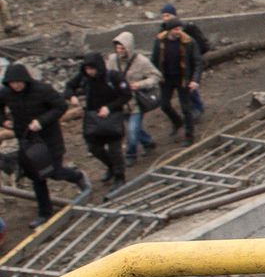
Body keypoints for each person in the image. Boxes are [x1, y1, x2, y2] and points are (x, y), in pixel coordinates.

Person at [4, 62, 90, 221]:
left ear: (25, 80)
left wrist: (41, 121)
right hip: (27, 141)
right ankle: (44, 213)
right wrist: (3, 121)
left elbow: (61, 107)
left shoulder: (42, 89)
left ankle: (76, 176)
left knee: (55, 172)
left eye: (18, 82)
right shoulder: (6, 93)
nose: (15, 86)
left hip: (49, 139)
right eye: (12, 83)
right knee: (37, 177)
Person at [64, 51, 133, 188]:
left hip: (112, 117)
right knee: (94, 148)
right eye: (87, 69)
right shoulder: (84, 77)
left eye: (92, 69)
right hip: (92, 119)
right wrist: (71, 96)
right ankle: (111, 166)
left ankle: (120, 176)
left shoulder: (113, 77)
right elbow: (69, 86)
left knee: (115, 150)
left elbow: (126, 95)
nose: (90, 72)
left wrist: (109, 107)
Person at [111, 30, 160, 163]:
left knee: (132, 131)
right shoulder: (112, 60)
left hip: (135, 102)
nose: (119, 50)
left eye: (122, 48)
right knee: (134, 128)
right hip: (120, 102)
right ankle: (148, 142)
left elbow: (156, 76)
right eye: (117, 47)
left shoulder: (141, 61)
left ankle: (130, 155)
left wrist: (141, 84)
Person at [153, 16, 202, 143]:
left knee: (186, 108)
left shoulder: (189, 42)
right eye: (175, 29)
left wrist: (195, 80)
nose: (178, 31)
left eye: (179, 29)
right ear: (169, 30)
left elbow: (197, 62)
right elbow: (154, 60)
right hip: (166, 79)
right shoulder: (160, 41)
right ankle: (177, 121)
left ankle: (189, 136)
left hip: (183, 79)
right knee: (164, 105)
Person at [157, 3, 209, 122]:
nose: (166, 18)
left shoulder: (187, 28)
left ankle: (197, 109)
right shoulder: (163, 31)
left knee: (190, 88)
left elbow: (200, 44)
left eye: (168, 15)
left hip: (187, 64)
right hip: (173, 67)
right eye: (163, 16)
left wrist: (191, 56)